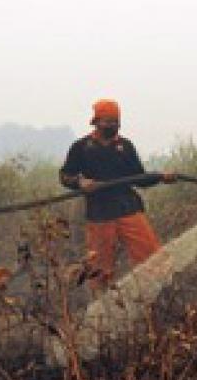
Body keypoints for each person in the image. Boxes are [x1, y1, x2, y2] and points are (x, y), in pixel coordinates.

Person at [59, 98, 175, 287]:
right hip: (100, 214)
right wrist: (80, 182)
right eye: (107, 121)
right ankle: (101, 311)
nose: (112, 125)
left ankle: (153, 303)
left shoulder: (125, 147)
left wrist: (161, 176)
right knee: (99, 271)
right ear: (96, 121)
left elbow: (139, 178)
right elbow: (65, 176)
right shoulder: (82, 147)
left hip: (128, 209)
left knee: (153, 259)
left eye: (115, 121)